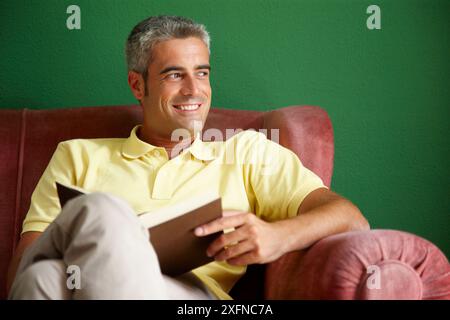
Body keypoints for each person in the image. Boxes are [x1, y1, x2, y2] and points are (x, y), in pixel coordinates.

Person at [7, 15, 369, 300]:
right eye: (175, 75)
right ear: (138, 85)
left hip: (188, 297)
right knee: (44, 275)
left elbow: (352, 219)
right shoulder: (78, 155)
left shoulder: (248, 151)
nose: (194, 90)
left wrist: (277, 236)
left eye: (202, 73)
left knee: (98, 215)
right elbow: (22, 270)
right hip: (78, 285)